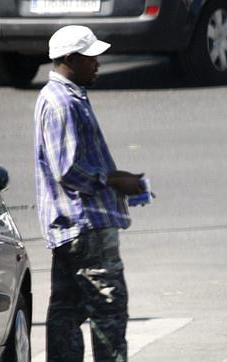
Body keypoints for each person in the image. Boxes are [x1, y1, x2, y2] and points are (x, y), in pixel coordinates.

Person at [34, 25, 144, 362]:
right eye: (91, 57)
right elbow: (67, 169)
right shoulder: (62, 103)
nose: (98, 63)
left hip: (73, 226)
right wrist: (113, 180)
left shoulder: (67, 96)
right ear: (69, 59)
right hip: (85, 226)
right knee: (108, 312)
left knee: (66, 311)